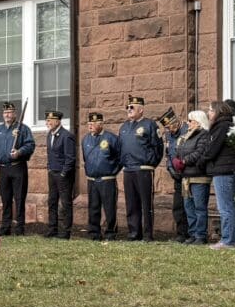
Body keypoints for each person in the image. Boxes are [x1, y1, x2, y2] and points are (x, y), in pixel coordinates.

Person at [202, 99, 235, 250]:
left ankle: (227, 240)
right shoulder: (231, 125)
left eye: (210, 110)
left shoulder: (221, 127)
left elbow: (211, 150)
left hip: (222, 171)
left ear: (217, 111)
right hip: (232, 169)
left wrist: (202, 160)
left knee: (225, 207)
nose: (208, 113)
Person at [118, 95, 163, 242]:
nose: (129, 110)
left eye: (132, 107)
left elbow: (158, 147)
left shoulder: (149, 125)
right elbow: (120, 148)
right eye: (128, 107)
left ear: (141, 110)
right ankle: (133, 232)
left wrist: (150, 164)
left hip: (143, 169)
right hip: (128, 169)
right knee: (131, 203)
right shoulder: (124, 127)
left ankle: (147, 234)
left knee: (145, 203)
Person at [0, 102, 35, 235]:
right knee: (5, 198)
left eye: (9, 112)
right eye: (5, 113)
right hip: (3, 169)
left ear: (15, 114)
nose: (7, 115)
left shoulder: (22, 129)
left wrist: (19, 152)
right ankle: (6, 227)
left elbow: (30, 145)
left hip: (17, 167)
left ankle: (20, 227)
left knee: (19, 198)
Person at [81, 112, 120, 240]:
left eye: (93, 123)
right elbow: (85, 158)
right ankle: (94, 233)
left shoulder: (111, 138)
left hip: (107, 179)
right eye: (89, 123)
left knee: (109, 208)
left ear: (101, 124)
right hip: (92, 180)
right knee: (93, 207)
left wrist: (113, 171)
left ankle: (110, 233)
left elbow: (120, 157)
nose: (90, 126)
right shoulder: (85, 139)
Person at [175, 110, 211, 244]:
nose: (187, 123)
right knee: (189, 207)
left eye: (190, 121)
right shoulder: (186, 136)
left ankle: (201, 235)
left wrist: (184, 161)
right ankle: (193, 234)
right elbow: (178, 151)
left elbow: (199, 152)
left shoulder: (204, 135)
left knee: (200, 208)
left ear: (198, 122)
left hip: (199, 177)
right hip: (186, 177)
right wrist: (177, 159)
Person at [44, 110, 76, 240]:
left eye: (50, 120)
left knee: (65, 203)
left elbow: (71, 158)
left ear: (58, 121)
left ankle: (65, 232)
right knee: (52, 202)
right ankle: (52, 229)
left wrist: (63, 173)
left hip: (63, 176)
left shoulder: (66, 136)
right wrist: (49, 169)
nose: (48, 123)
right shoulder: (49, 135)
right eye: (47, 121)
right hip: (52, 174)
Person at [161, 110, 190, 242]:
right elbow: (168, 153)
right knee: (178, 206)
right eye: (166, 128)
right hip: (177, 176)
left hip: (188, 174)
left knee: (189, 205)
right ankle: (181, 234)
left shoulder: (187, 130)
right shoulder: (169, 135)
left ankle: (192, 234)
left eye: (169, 126)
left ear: (175, 122)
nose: (168, 130)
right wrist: (170, 168)